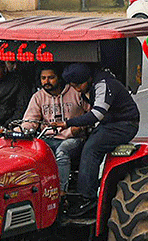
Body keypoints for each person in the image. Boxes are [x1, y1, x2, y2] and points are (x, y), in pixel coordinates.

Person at [53, 63, 140, 218]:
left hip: (124, 124)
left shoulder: (104, 85)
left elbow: (96, 115)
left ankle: (87, 198)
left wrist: (68, 123)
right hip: (109, 123)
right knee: (83, 145)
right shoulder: (92, 84)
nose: (78, 89)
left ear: (88, 79)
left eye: (79, 85)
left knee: (91, 149)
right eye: (74, 86)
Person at [21, 65, 89, 192]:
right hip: (47, 138)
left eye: (51, 77)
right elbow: (30, 121)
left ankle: (60, 192)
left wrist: (79, 127)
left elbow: (91, 115)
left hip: (73, 138)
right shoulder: (38, 96)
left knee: (62, 151)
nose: (46, 81)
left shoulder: (75, 92)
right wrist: (20, 131)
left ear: (59, 78)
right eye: (43, 78)